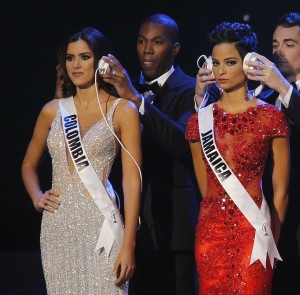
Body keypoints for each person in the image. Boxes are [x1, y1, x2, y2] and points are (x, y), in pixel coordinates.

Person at [21, 27, 142, 294]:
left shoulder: (123, 110)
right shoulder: (52, 110)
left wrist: (129, 245)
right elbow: (28, 165)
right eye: (70, 57)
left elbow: (132, 181)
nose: (76, 65)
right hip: (57, 227)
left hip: (103, 226)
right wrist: (36, 196)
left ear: (100, 61)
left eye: (84, 57)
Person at [98, 13, 205, 295]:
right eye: (142, 41)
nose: (147, 49)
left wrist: (136, 99)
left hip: (176, 225)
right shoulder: (119, 90)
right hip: (129, 224)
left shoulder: (194, 89)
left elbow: (182, 144)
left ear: (176, 48)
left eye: (157, 42)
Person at [185, 22, 289, 294]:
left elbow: (281, 190)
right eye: (215, 63)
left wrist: (272, 238)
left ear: (247, 64)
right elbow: (205, 189)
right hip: (210, 234)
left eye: (230, 62)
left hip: (254, 232)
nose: (220, 71)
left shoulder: (271, 117)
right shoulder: (200, 122)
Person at [253, 12, 300, 294]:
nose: (278, 51)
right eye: (274, 44)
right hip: (272, 214)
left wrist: (283, 86)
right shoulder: (264, 96)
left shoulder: (279, 89)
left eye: (289, 44)